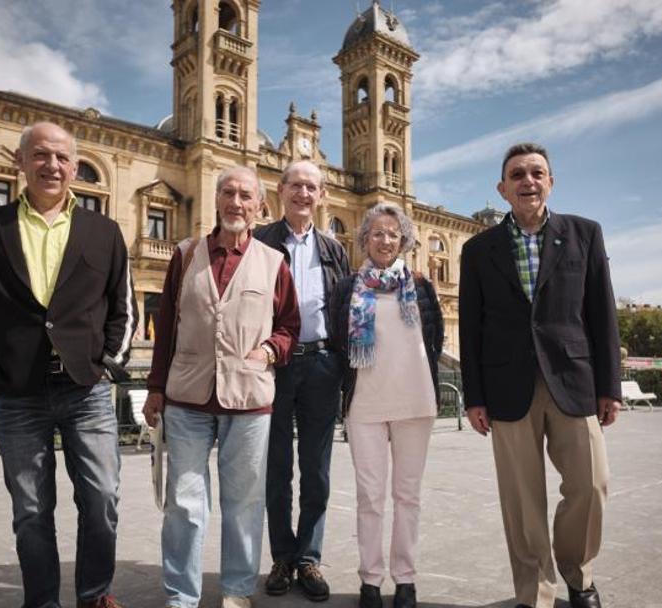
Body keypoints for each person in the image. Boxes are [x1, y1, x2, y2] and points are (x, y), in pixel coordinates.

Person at [0, 122, 137, 608]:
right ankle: (43, 602)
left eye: (63, 158)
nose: (53, 165)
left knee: (102, 499)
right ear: (21, 161)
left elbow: (124, 307)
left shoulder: (104, 231)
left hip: (86, 389)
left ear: (75, 166)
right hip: (16, 392)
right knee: (31, 510)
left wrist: (109, 362)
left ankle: (94, 595)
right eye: (41, 155)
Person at [458, 143, 622, 608]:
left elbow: (602, 313)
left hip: (574, 380)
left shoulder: (584, 234)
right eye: (517, 175)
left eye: (536, 173)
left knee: (591, 484)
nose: (527, 181)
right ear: (502, 189)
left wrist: (609, 385)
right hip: (507, 386)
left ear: (551, 182)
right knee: (521, 500)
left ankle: (579, 574)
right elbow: (470, 328)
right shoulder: (478, 249)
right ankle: (535, 594)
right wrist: (474, 396)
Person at [142, 165, 300, 608]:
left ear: (260, 207)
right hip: (186, 397)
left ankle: (236, 591)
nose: (236, 202)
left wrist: (268, 352)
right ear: (216, 200)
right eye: (228, 193)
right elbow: (166, 327)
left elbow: (289, 326)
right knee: (184, 502)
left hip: (248, 400)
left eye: (245, 195)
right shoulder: (186, 254)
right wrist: (155, 387)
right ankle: (181, 596)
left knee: (244, 503)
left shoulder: (273, 262)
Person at [329, 203, 444, 608]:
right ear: (364, 240)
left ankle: (406, 579)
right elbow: (337, 342)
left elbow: (435, 339)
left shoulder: (421, 286)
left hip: (415, 401)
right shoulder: (347, 288)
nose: (385, 240)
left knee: (408, 496)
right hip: (365, 405)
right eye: (376, 232)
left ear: (404, 241)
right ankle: (371, 581)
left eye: (393, 233)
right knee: (370, 497)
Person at [254, 160, 351, 601]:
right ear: (280, 189)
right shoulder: (261, 241)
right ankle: (282, 556)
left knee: (316, 469)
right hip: (274, 365)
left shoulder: (333, 249)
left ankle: (308, 557)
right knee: (276, 468)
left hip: (322, 364)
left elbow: (344, 309)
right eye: (296, 185)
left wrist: (346, 372)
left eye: (312, 187)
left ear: (322, 195)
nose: (303, 194)